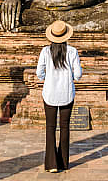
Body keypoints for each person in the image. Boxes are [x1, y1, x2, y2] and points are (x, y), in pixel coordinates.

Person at [36, 20, 82, 173]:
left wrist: (48, 78)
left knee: (50, 127)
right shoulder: (72, 51)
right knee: (64, 127)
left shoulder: (45, 51)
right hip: (67, 92)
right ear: (66, 35)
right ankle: (63, 162)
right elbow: (79, 75)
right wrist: (69, 76)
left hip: (49, 92)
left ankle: (51, 164)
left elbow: (39, 73)